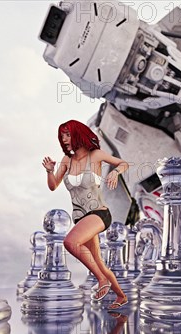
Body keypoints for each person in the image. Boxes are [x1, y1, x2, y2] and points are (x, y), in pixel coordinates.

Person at [42, 120, 128, 309]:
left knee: (70, 242)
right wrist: (49, 172)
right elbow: (53, 186)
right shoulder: (66, 161)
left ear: (78, 133)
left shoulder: (95, 155)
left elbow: (123, 163)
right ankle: (121, 296)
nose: (64, 139)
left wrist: (115, 173)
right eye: (62, 136)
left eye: (68, 134)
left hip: (99, 213)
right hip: (81, 218)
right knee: (98, 261)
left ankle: (101, 280)